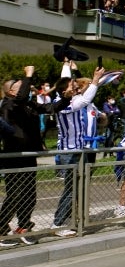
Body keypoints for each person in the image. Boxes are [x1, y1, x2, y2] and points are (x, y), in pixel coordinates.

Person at [0, 66, 71, 247]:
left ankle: (23, 227)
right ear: (10, 91)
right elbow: (21, 97)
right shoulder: (9, 105)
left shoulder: (28, 105)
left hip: (29, 156)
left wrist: (66, 97)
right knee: (15, 194)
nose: (27, 87)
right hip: (14, 156)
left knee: (29, 194)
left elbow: (50, 107)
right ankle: (0, 229)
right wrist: (28, 75)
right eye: (20, 85)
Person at [51, 68, 105, 238]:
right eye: (71, 86)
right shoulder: (61, 103)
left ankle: (68, 220)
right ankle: (58, 223)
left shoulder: (71, 99)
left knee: (75, 189)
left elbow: (85, 99)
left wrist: (67, 64)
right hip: (69, 152)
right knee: (70, 189)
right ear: (63, 90)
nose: (75, 88)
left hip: (78, 150)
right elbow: (84, 100)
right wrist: (95, 79)